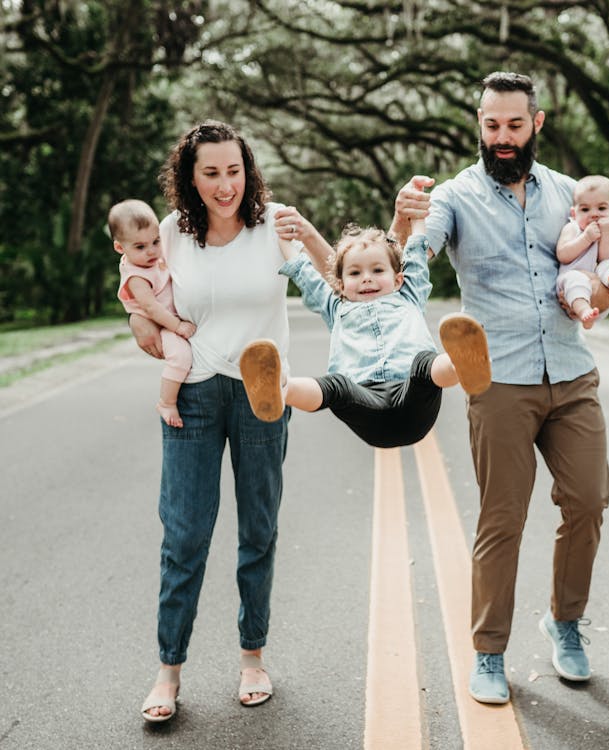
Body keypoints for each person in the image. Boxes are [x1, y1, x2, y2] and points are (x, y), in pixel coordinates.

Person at [391, 72, 609, 704]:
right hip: (498, 378)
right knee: (503, 519)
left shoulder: (571, 193)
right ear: (479, 124)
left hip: (571, 371)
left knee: (587, 501)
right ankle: (489, 653)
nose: (502, 138)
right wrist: (401, 227)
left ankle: (564, 622)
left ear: (538, 123)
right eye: (490, 125)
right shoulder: (452, 197)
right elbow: (413, 259)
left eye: (514, 125)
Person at [129, 120, 327, 722]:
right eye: (210, 173)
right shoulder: (170, 234)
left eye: (234, 171)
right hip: (192, 394)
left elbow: (336, 281)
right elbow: (137, 293)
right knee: (185, 532)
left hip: (263, 393)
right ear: (190, 178)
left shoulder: (275, 226)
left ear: (249, 170)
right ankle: (169, 672)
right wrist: (150, 337)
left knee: (257, 530)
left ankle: (252, 658)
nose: (225, 185)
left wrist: (311, 233)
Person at [238, 215, 492, 448]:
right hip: (365, 403)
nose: (366, 278)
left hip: (412, 399)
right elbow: (304, 273)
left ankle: (461, 362)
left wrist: (417, 220)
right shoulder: (335, 307)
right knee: (337, 386)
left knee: (424, 365)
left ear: (398, 279)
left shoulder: (409, 295)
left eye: (377, 270)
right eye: (355, 273)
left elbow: (416, 253)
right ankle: (279, 389)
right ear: (340, 284)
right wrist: (284, 240)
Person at [109, 199, 195, 427]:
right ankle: (167, 402)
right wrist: (176, 326)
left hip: (170, 319)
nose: (151, 251)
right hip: (162, 324)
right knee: (180, 357)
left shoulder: (154, 257)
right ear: (120, 248)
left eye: (155, 242)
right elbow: (150, 307)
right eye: (140, 247)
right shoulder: (136, 275)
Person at [555, 174, 609, 328]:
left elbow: (606, 259)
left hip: (601, 287)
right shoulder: (573, 228)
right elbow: (563, 255)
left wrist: (606, 235)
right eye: (585, 209)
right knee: (575, 279)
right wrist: (586, 239)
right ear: (574, 214)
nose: (594, 214)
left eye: (602, 208)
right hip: (572, 285)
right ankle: (584, 313)